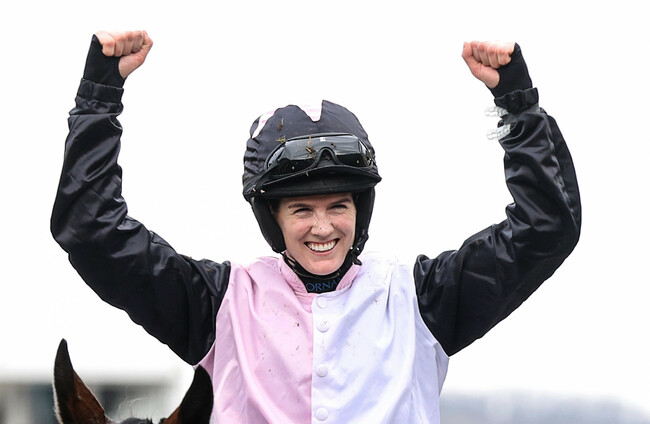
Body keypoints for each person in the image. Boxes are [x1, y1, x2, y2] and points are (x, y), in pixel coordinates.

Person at [51, 30, 581, 424]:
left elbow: (546, 227)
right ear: (273, 218)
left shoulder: (424, 299)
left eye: (339, 206)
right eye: (301, 210)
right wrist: (99, 97)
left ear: (360, 210)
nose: (323, 227)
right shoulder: (216, 302)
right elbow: (92, 231)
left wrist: (518, 103)